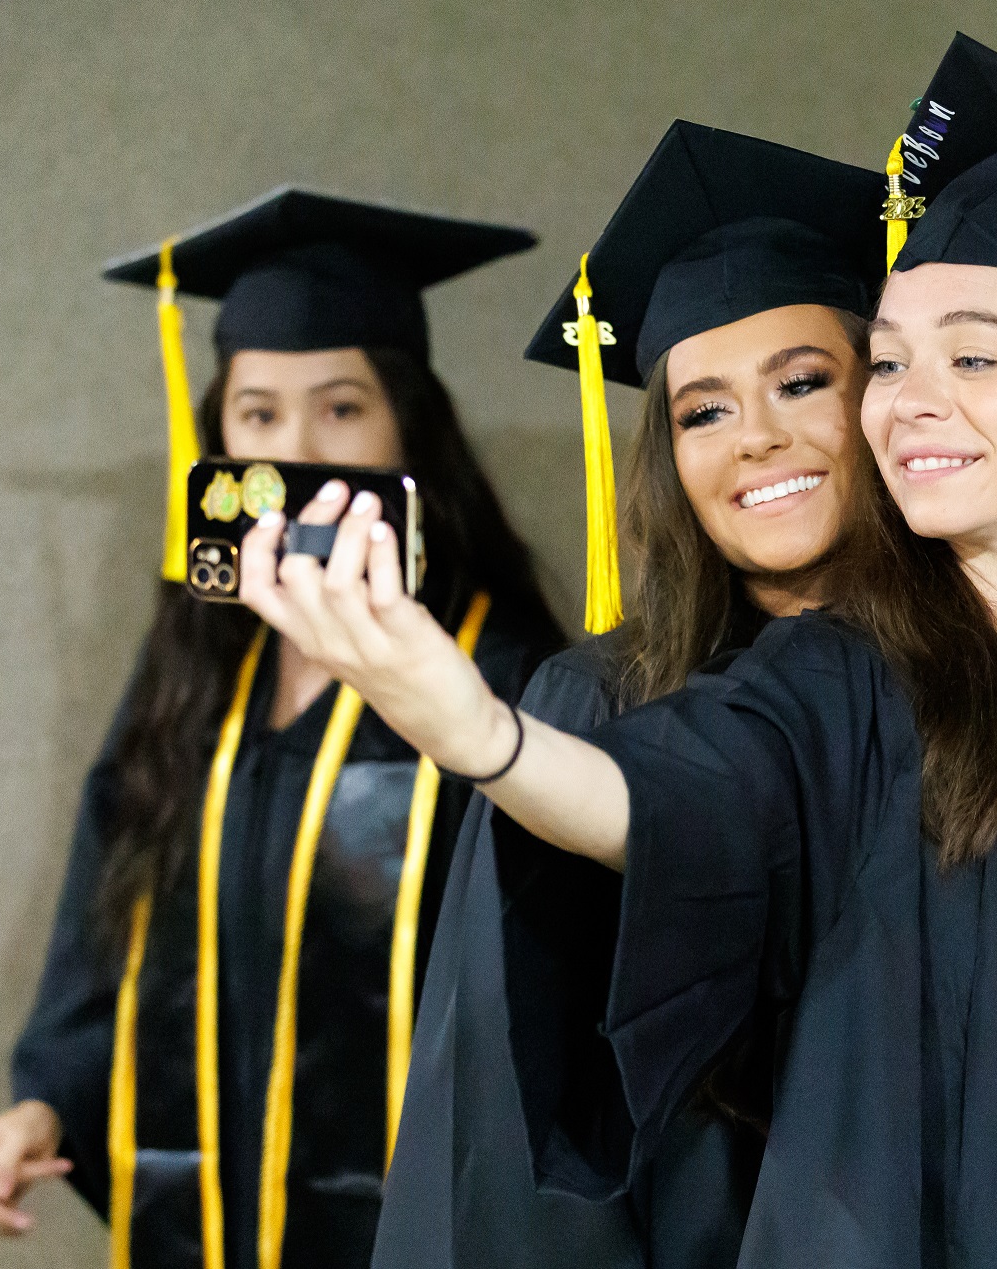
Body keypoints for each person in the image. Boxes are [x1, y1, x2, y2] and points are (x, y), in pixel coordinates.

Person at [236, 36, 997, 1267]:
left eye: (969, 355)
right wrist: (480, 732)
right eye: (892, 359)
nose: (906, 399)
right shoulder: (847, 683)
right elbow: (669, 796)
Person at [0, 189, 563, 1269]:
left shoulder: (501, 677)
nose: (298, 450)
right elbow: (109, 901)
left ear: (407, 430)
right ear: (218, 443)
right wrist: (47, 1104)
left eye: (341, 407)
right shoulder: (200, 670)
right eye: (257, 415)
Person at [370, 121, 885, 1269]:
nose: (755, 437)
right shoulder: (594, 707)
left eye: (803, 382)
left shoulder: (988, 681)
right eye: (702, 409)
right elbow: (504, 1118)